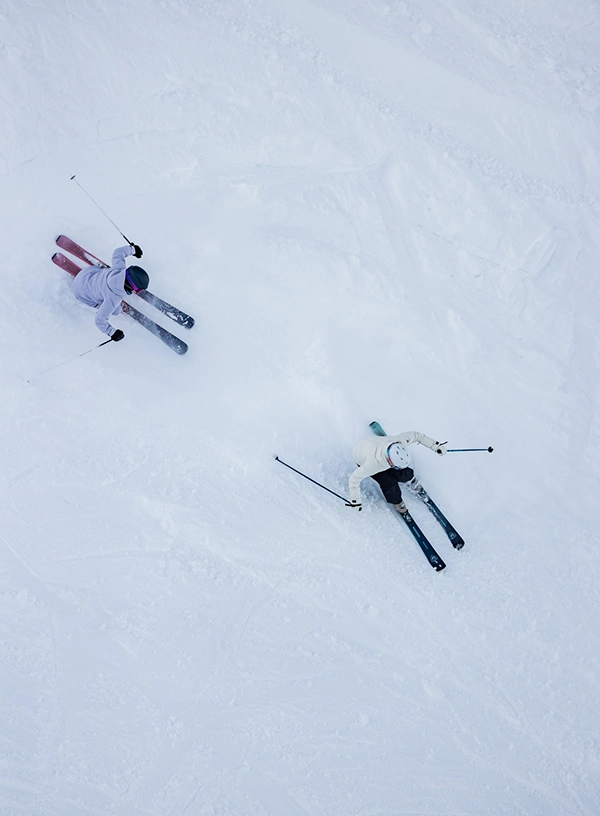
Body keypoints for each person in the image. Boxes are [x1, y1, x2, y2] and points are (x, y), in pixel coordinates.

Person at [348, 431, 447, 513]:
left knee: (402, 473)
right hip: (362, 456)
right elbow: (354, 479)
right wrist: (355, 501)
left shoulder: (400, 441)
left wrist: (436, 446)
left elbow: (418, 436)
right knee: (388, 482)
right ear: (391, 463)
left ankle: (409, 480)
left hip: (377, 444)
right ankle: (397, 502)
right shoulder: (373, 464)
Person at [71, 244, 149, 340]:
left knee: (102, 275)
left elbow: (118, 253)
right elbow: (100, 320)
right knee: (116, 310)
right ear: (130, 286)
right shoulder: (113, 299)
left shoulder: (119, 268)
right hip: (81, 294)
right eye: (137, 290)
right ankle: (121, 308)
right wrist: (112, 332)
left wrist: (133, 250)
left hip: (86, 274)